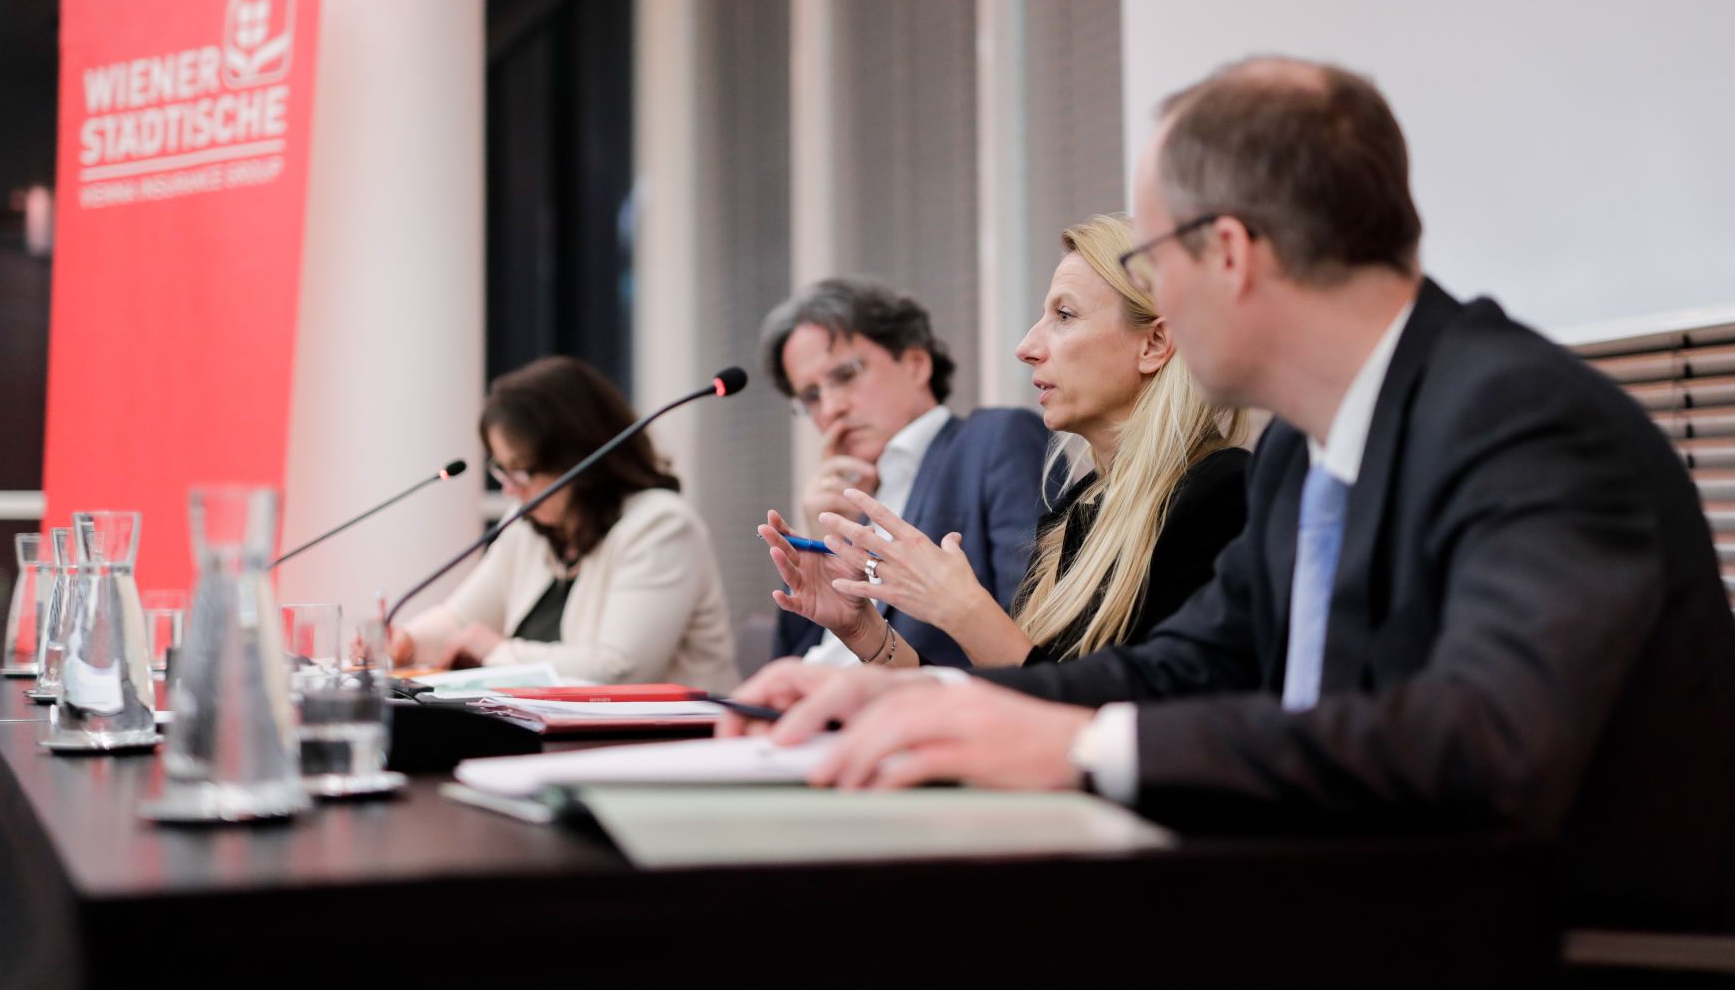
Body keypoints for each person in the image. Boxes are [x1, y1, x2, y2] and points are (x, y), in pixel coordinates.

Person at [723, 57, 1735, 929]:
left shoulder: (1521, 421)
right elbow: (1182, 672)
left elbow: (1483, 744)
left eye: (1156, 260)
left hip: (1560, 947)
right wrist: (912, 695)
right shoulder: (1308, 450)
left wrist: (1078, 743)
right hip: (1362, 914)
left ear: (1228, 255)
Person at [759, 214, 1247, 668]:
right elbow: (1022, 690)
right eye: (811, 396)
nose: (1027, 348)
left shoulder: (1222, 492)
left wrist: (959, 606)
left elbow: (1105, 708)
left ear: (1155, 344)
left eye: (1065, 315)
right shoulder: (1081, 507)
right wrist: (865, 632)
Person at [389, 356, 739, 693]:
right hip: (564, 741)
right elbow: (461, 620)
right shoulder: (530, 525)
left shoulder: (661, 526)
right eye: (501, 469)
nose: (511, 488)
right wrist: (406, 642)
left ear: (578, 458)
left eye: (522, 471)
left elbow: (619, 671)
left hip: (678, 743)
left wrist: (498, 651)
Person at [758, 279, 1050, 667]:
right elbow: (787, 666)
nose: (830, 408)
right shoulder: (844, 500)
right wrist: (820, 541)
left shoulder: (994, 440)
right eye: (811, 396)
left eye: (845, 375)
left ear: (916, 364)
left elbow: (1036, 636)